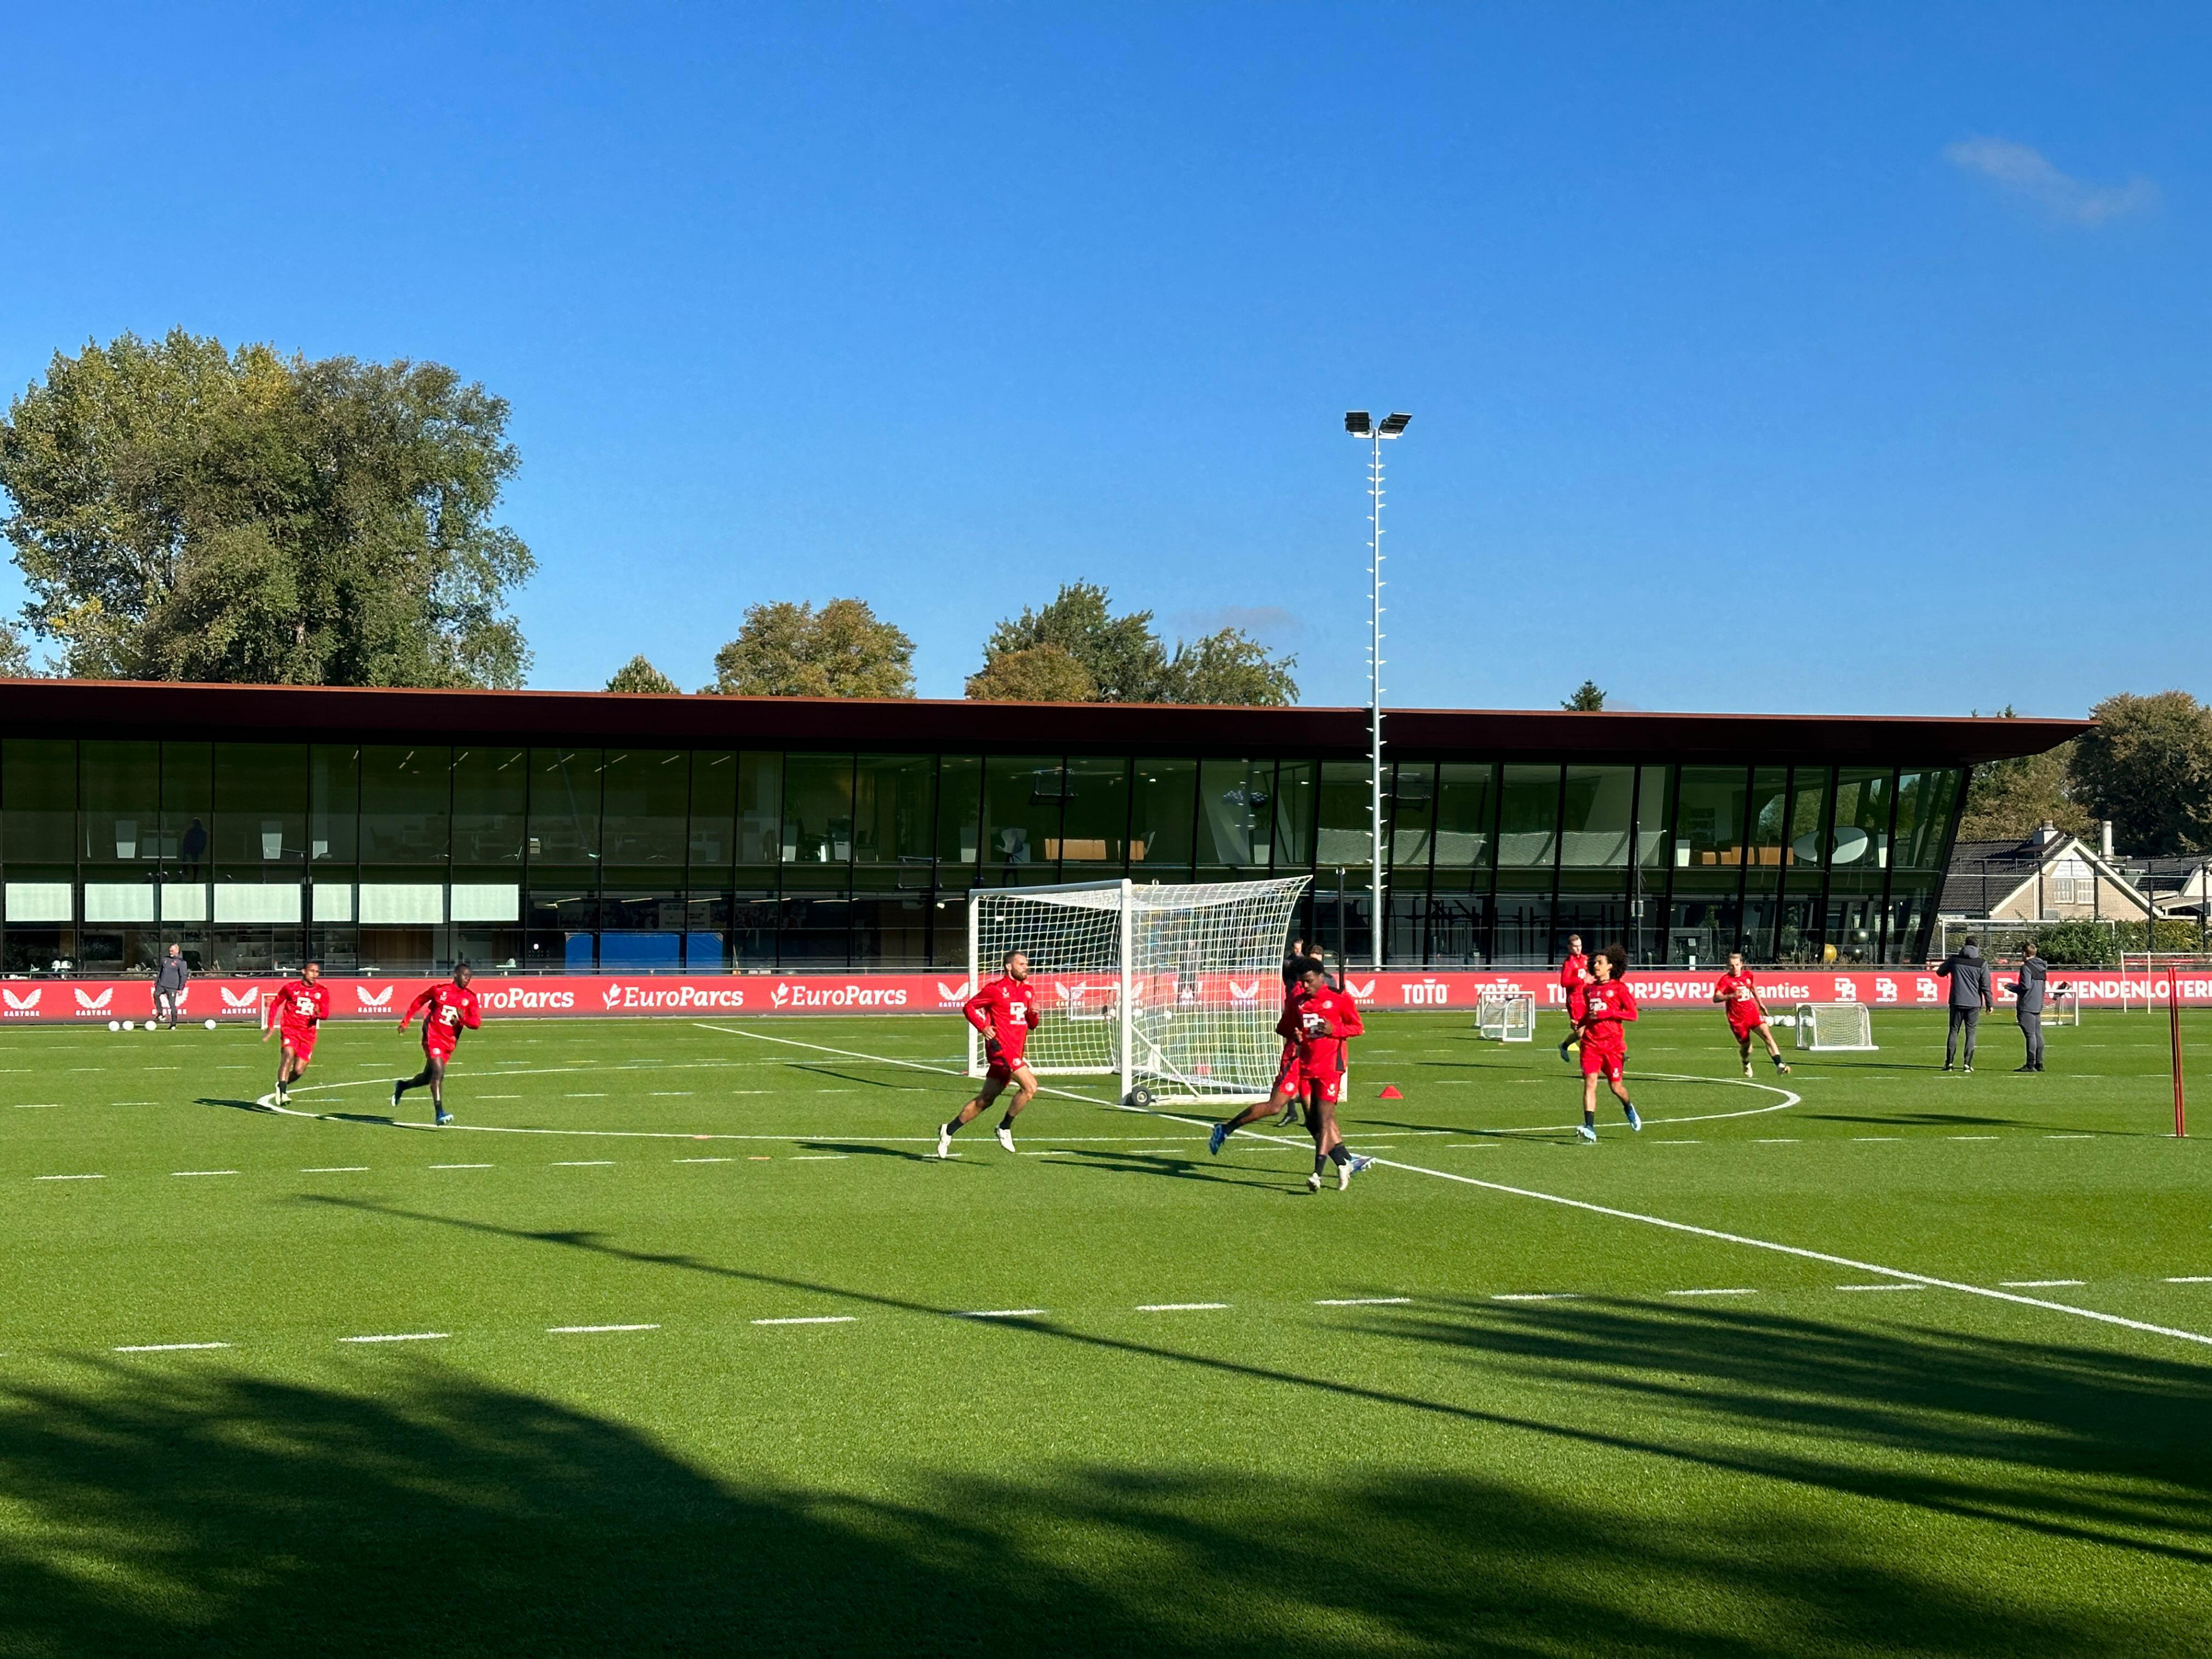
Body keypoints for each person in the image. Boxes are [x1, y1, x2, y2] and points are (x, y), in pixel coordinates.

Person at [940, 950, 1041, 1157]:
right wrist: (983, 1027)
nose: (1026, 967)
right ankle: (1004, 1126)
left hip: (1015, 1051)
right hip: (1000, 1049)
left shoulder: (1029, 991)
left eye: (1027, 964)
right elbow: (969, 1007)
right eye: (1022, 964)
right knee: (1030, 1087)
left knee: (985, 1100)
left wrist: (1034, 1013)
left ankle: (948, 1130)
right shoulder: (995, 989)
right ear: (1009, 967)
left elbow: (1032, 1025)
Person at [395, 963, 483, 1125]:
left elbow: (476, 1023)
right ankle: (439, 1112)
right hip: (432, 1036)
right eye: (465, 975)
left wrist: (463, 1019)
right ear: (456, 974)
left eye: (470, 977)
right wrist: (406, 1021)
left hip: (449, 1043)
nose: (467, 979)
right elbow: (419, 1001)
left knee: (427, 1078)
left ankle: (402, 1086)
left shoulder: (470, 998)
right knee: (439, 1072)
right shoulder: (440, 991)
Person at [1574, 945, 1642, 1142]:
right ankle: (1589, 1127)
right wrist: (1580, 1022)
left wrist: (1609, 1013)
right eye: (1594, 962)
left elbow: (1633, 1015)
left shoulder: (1620, 989)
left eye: (1600, 963)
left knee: (1616, 1088)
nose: (1596, 965)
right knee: (1590, 1083)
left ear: (1610, 967)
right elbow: (1589, 1015)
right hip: (1591, 1045)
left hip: (1613, 1047)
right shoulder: (1589, 989)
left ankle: (1629, 1107)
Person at [1712, 950, 1792, 1078]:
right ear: (1728, 967)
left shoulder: (1748, 975)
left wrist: (1761, 1004)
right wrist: (1731, 995)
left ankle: (1779, 1065)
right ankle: (1746, 1062)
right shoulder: (1725, 980)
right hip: (1737, 1020)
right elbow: (1716, 998)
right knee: (1747, 1048)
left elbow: (1753, 988)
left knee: (1767, 1035)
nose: (1735, 968)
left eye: (1737, 965)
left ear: (1742, 964)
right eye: (1732, 966)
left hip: (1752, 1013)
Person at [263, 961, 330, 1106]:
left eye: (317, 972)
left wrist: (318, 1015)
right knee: (288, 1054)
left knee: (299, 1070)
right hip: (290, 1029)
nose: (314, 975)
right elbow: (275, 1004)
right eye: (311, 971)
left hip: (308, 1035)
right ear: (303, 971)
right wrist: (271, 1026)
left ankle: (282, 1084)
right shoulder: (291, 988)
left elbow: (325, 1014)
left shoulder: (322, 991)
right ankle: (283, 1091)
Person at [1937, 937, 1993, 1073]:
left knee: (1954, 1031)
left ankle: (1949, 1063)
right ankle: (1967, 1063)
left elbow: (1940, 972)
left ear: (1965, 945)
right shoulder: (1981, 963)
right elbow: (1986, 985)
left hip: (1957, 1001)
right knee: (1971, 1032)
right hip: (1974, 1003)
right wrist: (1989, 1003)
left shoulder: (1954, 960)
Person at [2006, 941, 2049, 1073]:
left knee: (2030, 1035)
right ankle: (2039, 1063)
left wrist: (2012, 988)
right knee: (2037, 1034)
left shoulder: (2026, 967)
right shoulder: (2042, 967)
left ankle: (2030, 1064)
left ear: (2025, 953)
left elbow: (2025, 986)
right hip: (2037, 1003)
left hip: (2027, 1004)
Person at [1556, 933, 1593, 1064]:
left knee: (1593, 1028)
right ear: (1569, 948)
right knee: (1581, 1033)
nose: (1578, 949)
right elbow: (1564, 982)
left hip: (1586, 998)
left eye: (1580, 946)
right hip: (1575, 1000)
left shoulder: (1585, 959)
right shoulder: (1569, 963)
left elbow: (1591, 975)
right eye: (1575, 946)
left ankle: (1566, 1047)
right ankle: (1567, 1048)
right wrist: (1580, 980)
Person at [154, 943, 189, 1031]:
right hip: (162, 984)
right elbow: (160, 971)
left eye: (172, 951)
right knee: (156, 995)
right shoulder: (165, 959)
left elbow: (183, 975)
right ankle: (161, 1014)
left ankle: (173, 1024)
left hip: (172, 986)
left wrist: (180, 988)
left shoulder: (181, 963)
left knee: (172, 1005)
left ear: (177, 951)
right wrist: (157, 982)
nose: (170, 952)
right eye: (170, 951)